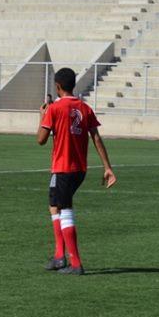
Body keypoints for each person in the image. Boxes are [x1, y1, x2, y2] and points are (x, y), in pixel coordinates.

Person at [37, 67, 117, 275]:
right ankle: (59, 256)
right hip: (79, 169)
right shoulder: (84, 108)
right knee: (54, 205)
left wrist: (42, 116)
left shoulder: (54, 108)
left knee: (65, 210)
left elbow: (41, 140)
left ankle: (75, 264)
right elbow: (96, 137)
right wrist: (107, 167)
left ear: (57, 86)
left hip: (63, 168)